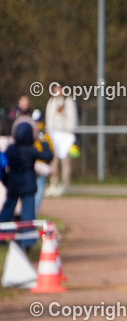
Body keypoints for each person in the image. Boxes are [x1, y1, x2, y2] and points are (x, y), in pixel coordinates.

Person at [1, 121, 53, 250]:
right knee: (28, 212)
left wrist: (5, 179)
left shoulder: (11, 149)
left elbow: (3, 164)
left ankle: (1, 235)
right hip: (28, 184)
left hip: (13, 183)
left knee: (8, 210)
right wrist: (44, 143)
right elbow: (48, 156)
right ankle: (28, 241)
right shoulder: (31, 150)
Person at [44, 83, 77, 197]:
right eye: (55, 89)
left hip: (65, 136)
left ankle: (65, 185)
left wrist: (69, 135)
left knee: (66, 162)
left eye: (60, 89)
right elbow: (49, 118)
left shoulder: (68, 101)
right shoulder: (51, 101)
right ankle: (54, 184)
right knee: (53, 162)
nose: (58, 91)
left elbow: (72, 119)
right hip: (53, 136)